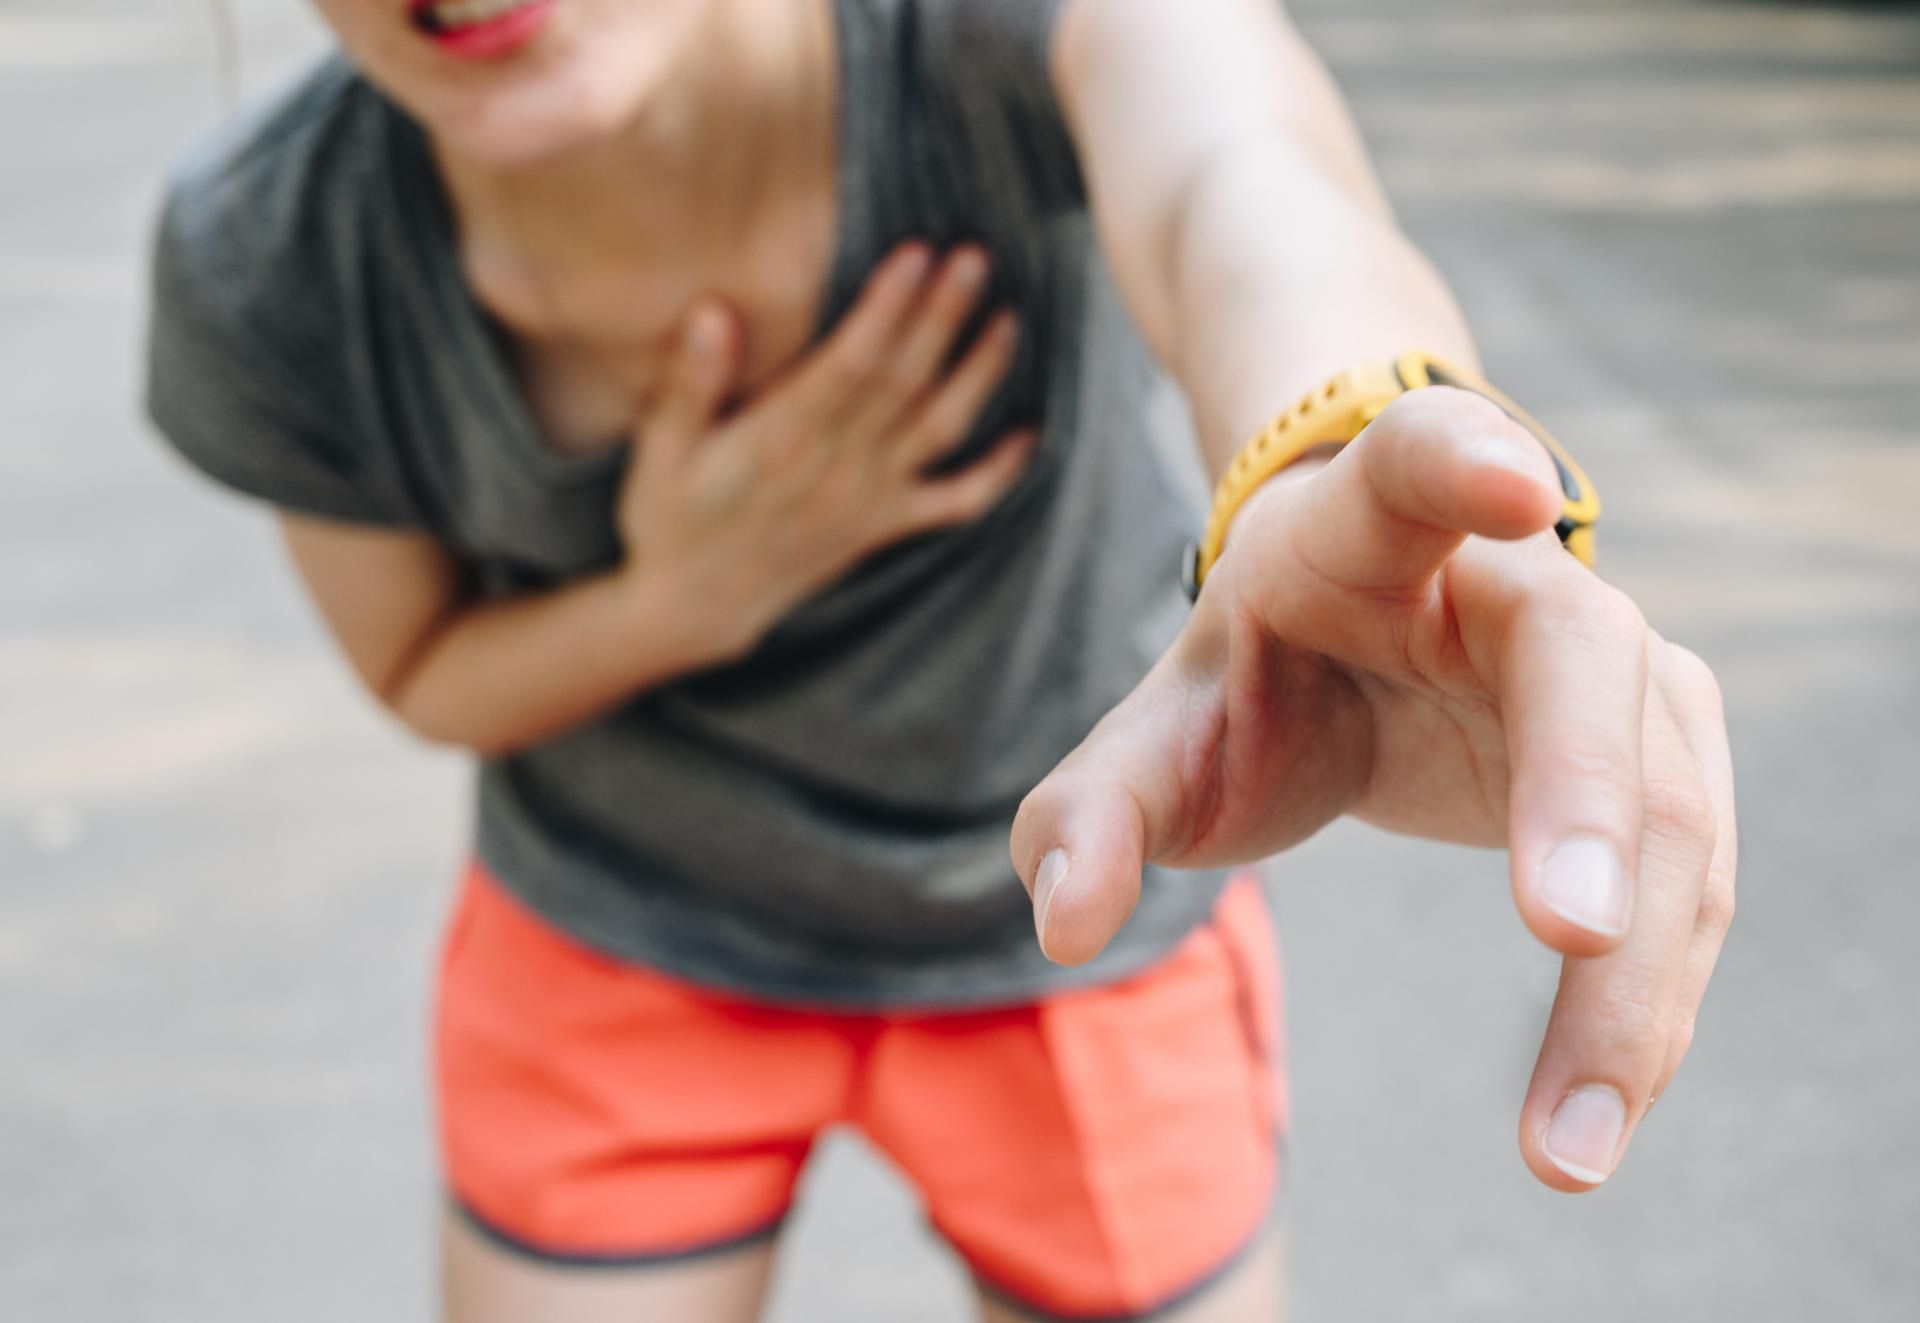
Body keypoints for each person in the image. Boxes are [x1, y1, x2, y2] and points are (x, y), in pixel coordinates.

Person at [144, 0, 1737, 1319]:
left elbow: (1236, 171)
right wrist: (686, 593)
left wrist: (1345, 455)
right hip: (619, 928)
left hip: (1079, 905)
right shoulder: (268, 260)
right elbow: (422, 668)